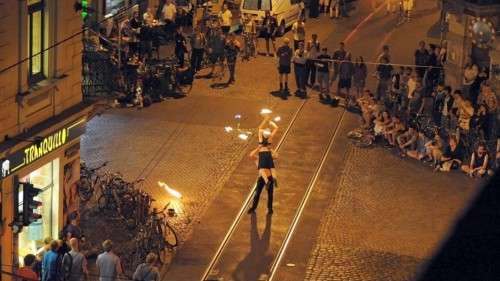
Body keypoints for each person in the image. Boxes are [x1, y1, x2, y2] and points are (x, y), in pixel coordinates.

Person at [248, 118, 279, 215]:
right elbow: (251, 155)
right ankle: (254, 207)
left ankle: (269, 209)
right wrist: (270, 122)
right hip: (263, 178)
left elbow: (260, 129)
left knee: (268, 194)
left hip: (266, 177)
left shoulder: (261, 151)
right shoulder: (269, 140)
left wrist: (265, 120)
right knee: (258, 193)